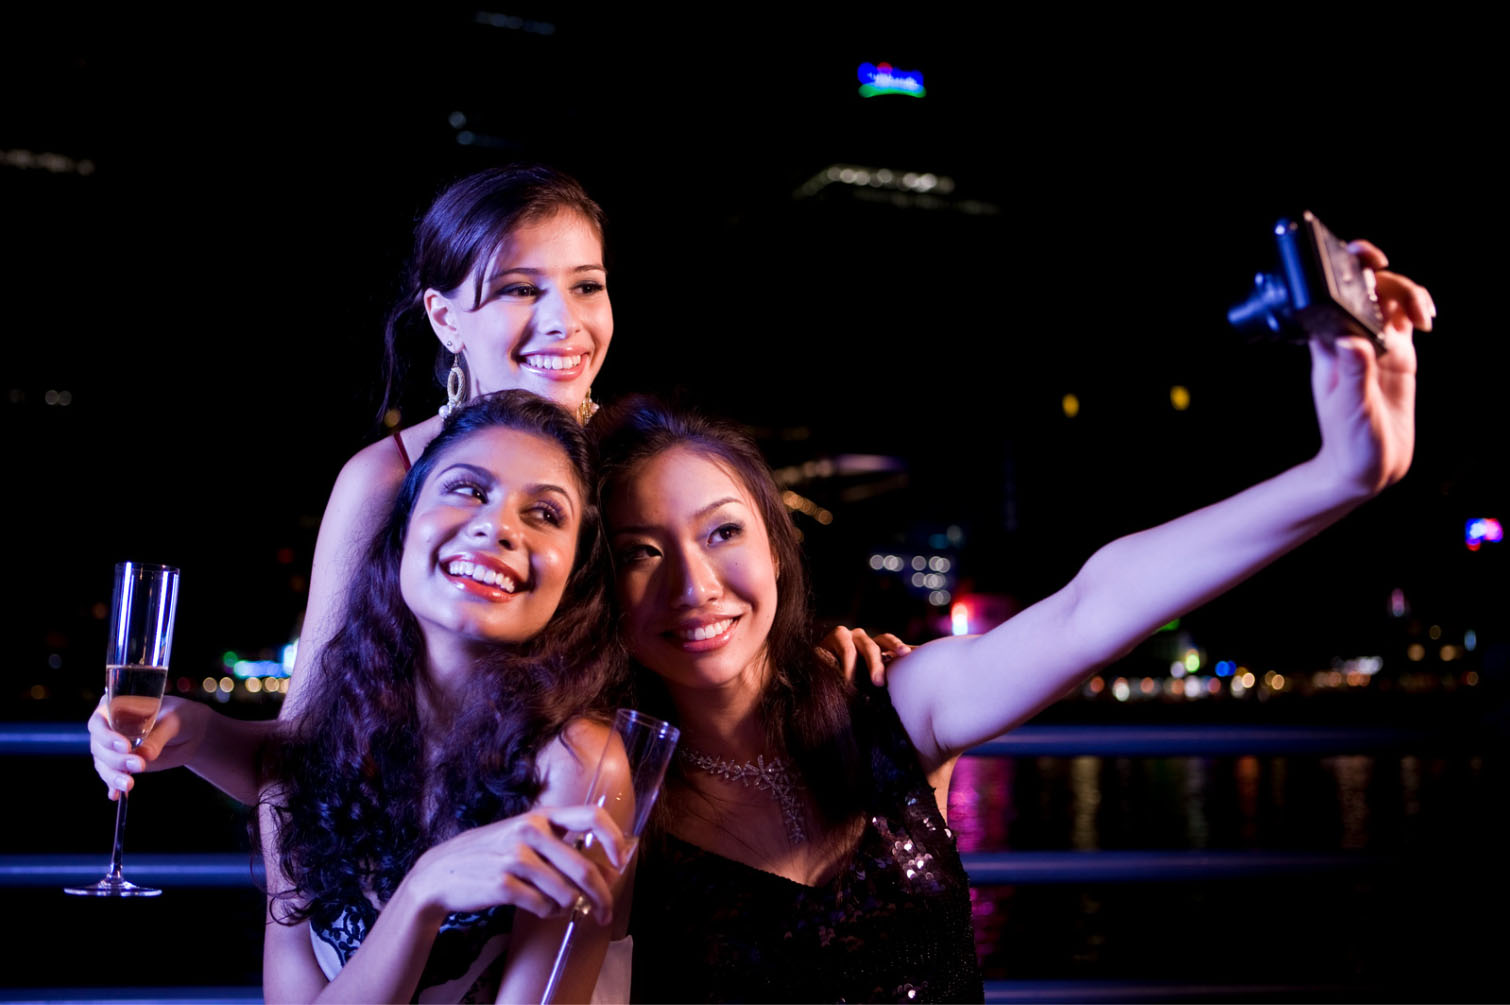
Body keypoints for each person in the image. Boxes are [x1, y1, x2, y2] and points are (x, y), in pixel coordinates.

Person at [590, 241, 1434, 1002]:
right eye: (641, 552)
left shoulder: (885, 700)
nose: (696, 583)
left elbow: (1093, 605)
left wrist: (1341, 475)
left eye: (723, 531)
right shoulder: (603, 791)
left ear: (775, 548)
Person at [259, 390, 634, 1004]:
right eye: (467, 489)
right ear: (404, 524)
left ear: (575, 571)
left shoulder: (578, 769)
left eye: (544, 513)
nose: (499, 527)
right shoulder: (313, 750)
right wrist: (423, 892)